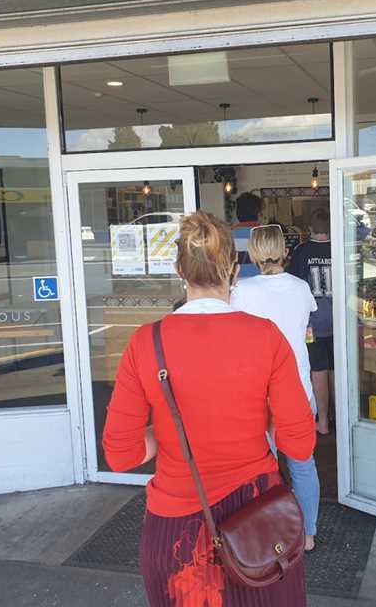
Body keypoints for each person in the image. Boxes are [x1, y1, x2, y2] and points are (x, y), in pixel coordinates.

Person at [102, 211, 314, 607]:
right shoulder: (265, 337)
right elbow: (300, 444)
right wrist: (260, 417)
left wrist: (169, 432)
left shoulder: (146, 342)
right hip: (259, 526)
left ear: (179, 270)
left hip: (176, 533)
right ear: (234, 270)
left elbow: (121, 453)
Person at [231, 224, 321, 551]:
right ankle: (308, 534)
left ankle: (265, 534)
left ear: (253, 253)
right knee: (303, 464)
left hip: (258, 393)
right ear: (285, 250)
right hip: (298, 389)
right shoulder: (299, 287)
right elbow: (306, 325)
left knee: (260, 466)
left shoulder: (241, 291)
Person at [288, 208, 334, 434]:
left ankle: (323, 422)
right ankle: (342, 417)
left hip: (311, 325)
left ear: (310, 230)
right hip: (339, 323)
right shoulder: (339, 249)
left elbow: (293, 286)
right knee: (337, 370)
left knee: (318, 370)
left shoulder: (301, 251)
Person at [232, 192, 262, 279]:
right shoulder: (265, 235)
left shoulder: (227, 236)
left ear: (237, 212)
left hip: (236, 285)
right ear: (258, 212)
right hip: (262, 285)